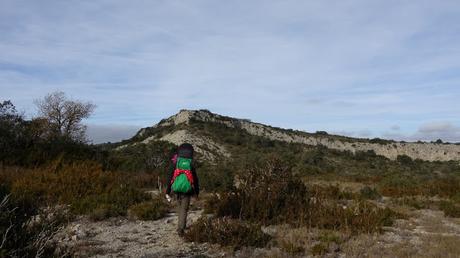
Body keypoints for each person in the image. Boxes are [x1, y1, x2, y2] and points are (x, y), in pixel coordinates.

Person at [166, 143, 199, 236]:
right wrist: (197, 192)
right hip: (187, 190)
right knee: (184, 209)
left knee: (180, 208)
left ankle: (180, 226)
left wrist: (167, 191)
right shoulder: (191, 164)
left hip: (176, 189)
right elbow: (195, 179)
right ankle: (181, 228)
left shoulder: (176, 163)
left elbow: (170, 177)